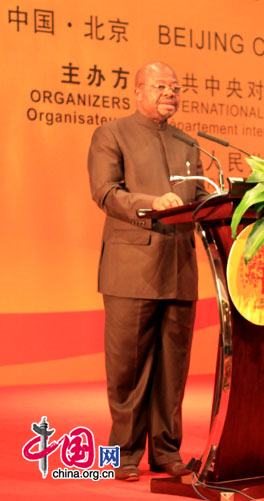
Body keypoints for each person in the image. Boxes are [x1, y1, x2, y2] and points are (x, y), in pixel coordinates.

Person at [87, 61, 208, 481]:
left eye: (175, 87)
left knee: (173, 368)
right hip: (132, 266)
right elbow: (105, 191)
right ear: (137, 91)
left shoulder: (189, 143)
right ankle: (121, 453)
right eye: (160, 87)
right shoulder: (112, 133)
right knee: (128, 366)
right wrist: (148, 202)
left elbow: (200, 203)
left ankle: (165, 451)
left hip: (179, 266)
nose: (169, 93)